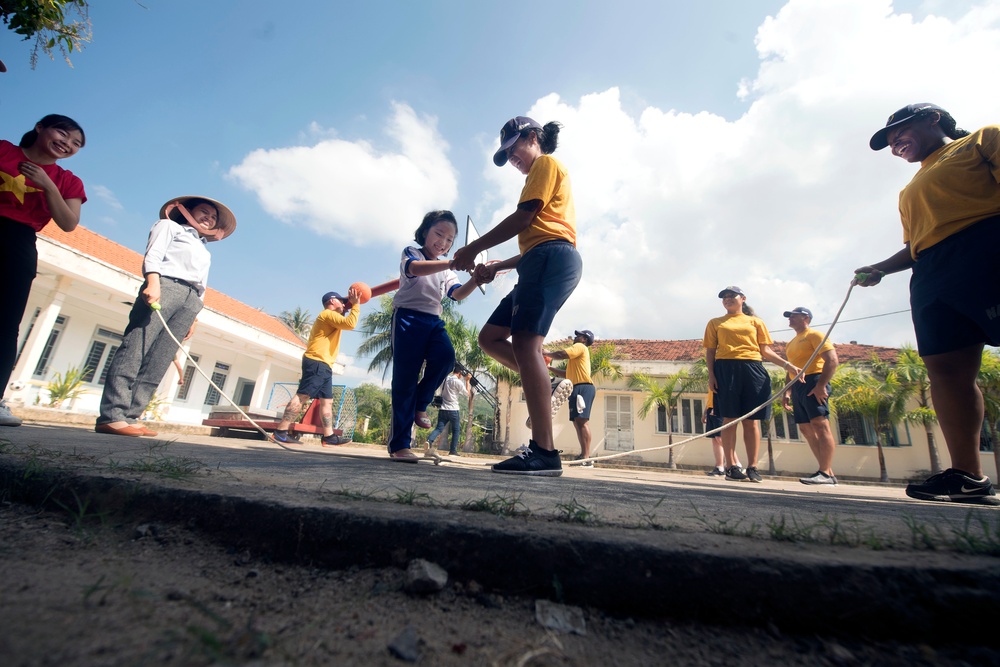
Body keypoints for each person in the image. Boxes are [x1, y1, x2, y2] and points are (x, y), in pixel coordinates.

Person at [856, 103, 1000, 505]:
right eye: (889, 142)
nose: (894, 145)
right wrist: (881, 268)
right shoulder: (909, 190)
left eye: (899, 133)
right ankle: (969, 476)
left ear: (932, 118)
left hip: (987, 245)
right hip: (933, 271)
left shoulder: (982, 140)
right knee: (947, 368)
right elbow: (916, 243)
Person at [452, 116, 582, 477]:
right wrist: (497, 265)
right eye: (506, 155)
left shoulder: (545, 163)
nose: (512, 158)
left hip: (550, 257)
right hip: (538, 258)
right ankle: (549, 381)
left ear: (533, 137)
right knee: (490, 338)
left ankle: (544, 452)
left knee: (526, 343)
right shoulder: (539, 176)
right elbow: (535, 234)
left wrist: (473, 248)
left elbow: (525, 220)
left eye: (513, 149)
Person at [96, 196, 235, 437]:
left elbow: (202, 283)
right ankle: (112, 415)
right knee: (135, 348)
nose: (209, 218)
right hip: (166, 285)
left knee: (159, 359)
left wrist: (195, 315)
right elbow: (154, 255)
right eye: (204, 212)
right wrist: (153, 282)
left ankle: (132, 416)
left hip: (191, 299)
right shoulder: (169, 226)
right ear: (187, 210)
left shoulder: (204, 249)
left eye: (213, 217)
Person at [1, 114, 87, 427]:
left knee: (6, 323)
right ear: (40, 127)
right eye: (63, 134)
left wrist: (47, 184)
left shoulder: (68, 181)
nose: (68, 144)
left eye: (76, 144)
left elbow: (68, 223)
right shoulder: (3, 151)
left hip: (19, 242)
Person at [387, 210, 480, 462]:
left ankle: (421, 402)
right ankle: (399, 445)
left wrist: (477, 278)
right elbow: (415, 269)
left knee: (446, 358)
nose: (443, 242)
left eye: (450, 240)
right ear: (425, 231)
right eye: (439, 234)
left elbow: (457, 294)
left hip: (433, 321)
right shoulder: (412, 252)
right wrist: (452, 262)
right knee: (405, 379)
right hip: (407, 318)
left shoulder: (448, 271)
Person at [704, 286, 801, 483]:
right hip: (725, 369)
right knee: (729, 419)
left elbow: (765, 350)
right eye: (725, 297)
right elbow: (710, 352)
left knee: (752, 420)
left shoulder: (755, 322)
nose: (728, 299)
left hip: (753, 368)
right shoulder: (715, 323)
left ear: (743, 299)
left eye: (732, 296)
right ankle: (731, 466)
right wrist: (712, 375)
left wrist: (788, 365)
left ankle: (753, 466)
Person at [273, 289, 361, 446]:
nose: (343, 303)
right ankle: (280, 431)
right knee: (302, 396)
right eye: (341, 301)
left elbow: (343, 320)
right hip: (316, 362)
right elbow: (350, 323)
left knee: (327, 401)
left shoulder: (332, 317)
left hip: (324, 364)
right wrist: (355, 305)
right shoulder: (327, 314)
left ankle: (329, 436)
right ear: (332, 301)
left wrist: (344, 309)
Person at [780, 307, 840, 485]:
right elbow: (791, 368)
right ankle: (827, 471)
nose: (789, 318)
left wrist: (821, 385)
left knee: (820, 425)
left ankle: (825, 473)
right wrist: (787, 391)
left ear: (805, 317)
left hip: (814, 380)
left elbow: (832, 360)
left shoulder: (815, 335)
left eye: (793, 315)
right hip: (797, 384)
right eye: (788, 316)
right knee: (805, 428)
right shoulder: (790, 343)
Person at [547, 329, 596, 466]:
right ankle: (583, 455)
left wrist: (546, 353)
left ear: (584, 339)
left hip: (583, 387)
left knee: (582, 421)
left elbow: (562, 354)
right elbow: (567, 374)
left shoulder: (580, 347)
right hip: (576, 387)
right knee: (577, 422)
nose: (576, 337)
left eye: (579, 335)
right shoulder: (577, 359)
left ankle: (586, 458)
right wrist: (550, 368)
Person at [426, 366, 471, 456]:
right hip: (453, 409)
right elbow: (467, 393)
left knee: (439, 428)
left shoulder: (445, 379)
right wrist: (467, 381)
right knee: (456, 430)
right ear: (459, 373)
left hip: (443, 408)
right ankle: (453, 451)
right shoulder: (457, 382)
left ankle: (429, 441)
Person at [703, 392, 741, 476]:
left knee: (720, 438)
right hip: (711, 408)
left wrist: (716, 407)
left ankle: (737, 463)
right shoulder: (711, 381)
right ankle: (719, 467)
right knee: (715, 439)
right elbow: (710, 397)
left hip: (719, 408)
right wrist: (705, 412)